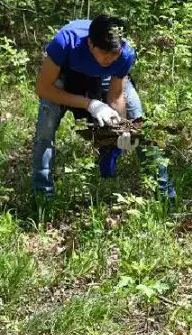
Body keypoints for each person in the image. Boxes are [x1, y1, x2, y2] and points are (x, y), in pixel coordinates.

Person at [32, 15, 175, 204]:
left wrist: (120, 130)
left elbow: (116, 96)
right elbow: (43, 88)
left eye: (114, 55)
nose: (110, 59)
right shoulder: (66, 41)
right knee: (45, 129)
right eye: (105, 54)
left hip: (105, 78)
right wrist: (90, 104)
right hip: (66, 76)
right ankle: (44, 197)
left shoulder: (124, 54)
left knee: (139, 127)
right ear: (91, 44)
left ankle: (164, 195)